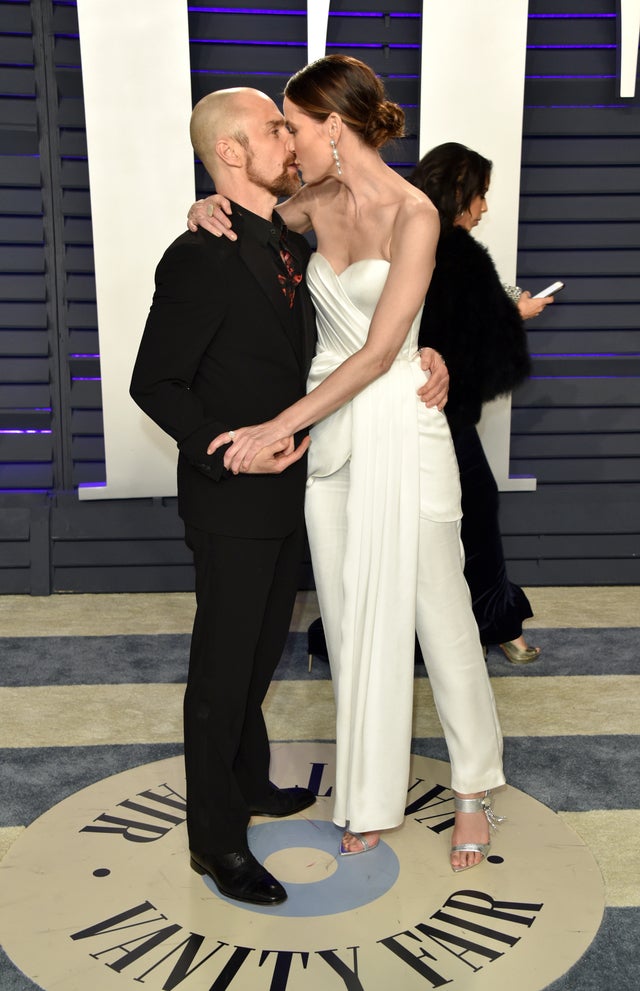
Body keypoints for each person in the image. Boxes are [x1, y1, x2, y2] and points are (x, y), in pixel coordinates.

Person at [198, 55, 505, 872]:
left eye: (293, 127)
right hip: (332, 446)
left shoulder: (415, 215)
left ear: (333, 125)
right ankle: (369, 792)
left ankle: (474, 791)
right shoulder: (308, 205)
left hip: (399, 426)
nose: (288, 144)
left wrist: (275, 425)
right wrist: (204, 206)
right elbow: (255, 234)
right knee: (351, 616)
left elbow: (375, 354)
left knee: (441, 617)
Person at [130, 87, 322, 907]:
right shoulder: (199, 253)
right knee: (221, 672)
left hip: (292, 498)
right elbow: (155, 382)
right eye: (276, 127)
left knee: (256, 660)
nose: (290, 136)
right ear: (233, 152)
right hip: (233, 500)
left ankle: (248, 780)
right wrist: (229, 454)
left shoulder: (286, 239)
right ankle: (215, 841)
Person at [412, 142, 553, 664]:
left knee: (412, 523)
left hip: (385, 408)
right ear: (457, 194)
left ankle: (402, 631)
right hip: (442, 410)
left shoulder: (398, 237)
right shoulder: (459, 254)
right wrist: (514, 314)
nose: (485, 208)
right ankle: (502, 628)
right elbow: (486, 344)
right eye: (481, 195)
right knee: (477, 513)